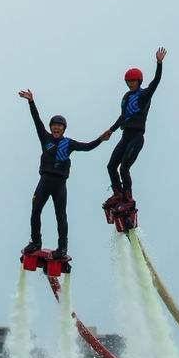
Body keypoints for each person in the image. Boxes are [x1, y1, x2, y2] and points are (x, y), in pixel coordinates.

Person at [19, 89, 111, 258]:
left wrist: (100, 139)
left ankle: (62, 248)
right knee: (35, 210)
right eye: (54, 126)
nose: (56, 128)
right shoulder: (45, 138)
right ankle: (35, 242)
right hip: (45, 180)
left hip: (60, 184)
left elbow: (88, 146)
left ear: (63, 129)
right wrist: (31, 102)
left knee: (60, 215)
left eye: (59, 126)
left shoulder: (69, 143)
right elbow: (36, 120)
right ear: (51, 128)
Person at [104, 47, 167, 206]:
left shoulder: (144, 94)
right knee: (111, 166)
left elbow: (156, 82)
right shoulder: (126, 97)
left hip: (137, 137)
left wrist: (159, 63)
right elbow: (123, 117)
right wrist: (111, 130)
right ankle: (118, 194)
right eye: (128, 81)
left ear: (139, 81)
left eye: (133, 81)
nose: (131, 84)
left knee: (124, 168)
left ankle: (128, 198)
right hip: (125, 136)